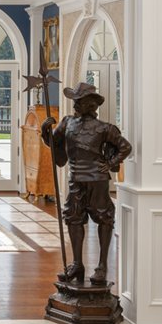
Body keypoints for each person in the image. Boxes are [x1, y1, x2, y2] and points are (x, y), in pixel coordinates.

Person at [45, 83, 131, 287]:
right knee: (73, 219)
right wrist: (44, 129)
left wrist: (109, 163)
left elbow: (125, 147)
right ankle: (77, 264)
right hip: (76, 179)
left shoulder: (104, 128)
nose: (75, 104)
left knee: (104, 219)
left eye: (79, 101)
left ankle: (102, 266)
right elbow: (53, 143)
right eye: (74, 100)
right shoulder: (67, 123)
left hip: (97, 181)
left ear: (91, 104)